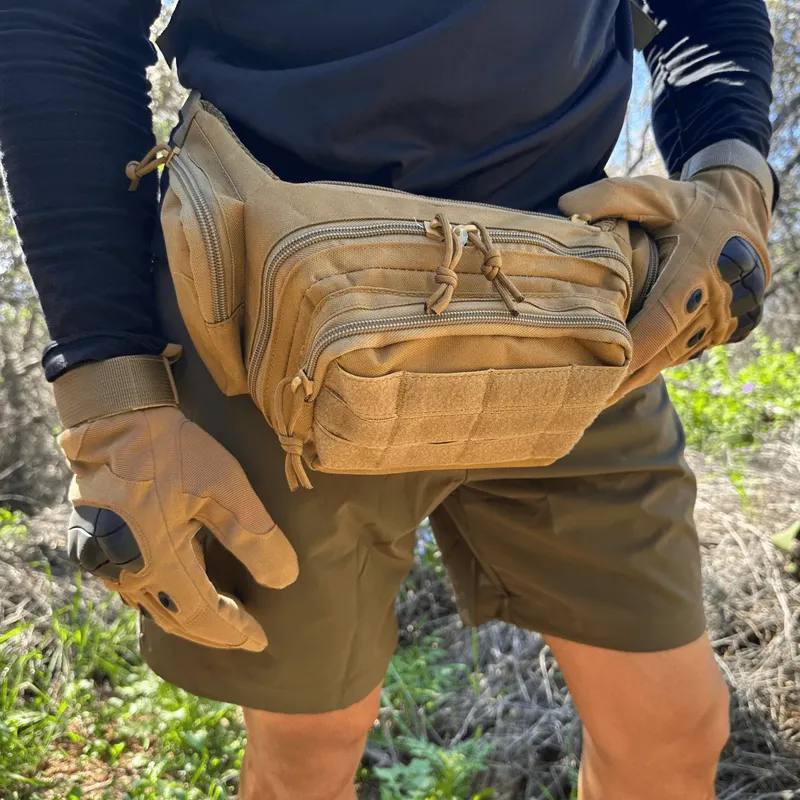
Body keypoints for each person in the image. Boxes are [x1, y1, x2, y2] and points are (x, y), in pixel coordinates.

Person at [0, 1, 777, 798]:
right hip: (274, 321)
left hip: (573, 302)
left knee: (672, 726)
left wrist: (732, 175)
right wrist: (113, 398)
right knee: (306, 753)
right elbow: (63, 24)